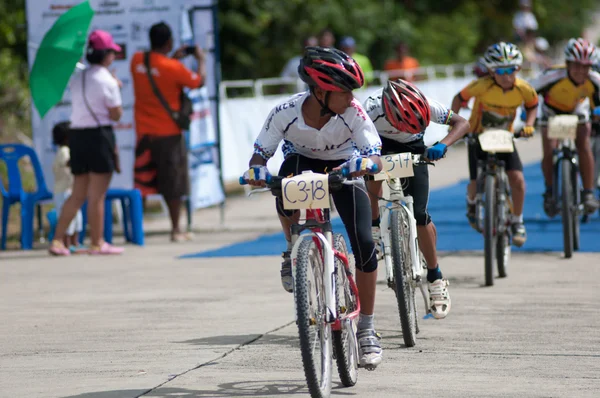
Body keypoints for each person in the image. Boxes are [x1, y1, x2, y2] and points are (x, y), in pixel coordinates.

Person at [242, 47, 384, 369]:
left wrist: (366, 163)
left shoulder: (354, 113)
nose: (350, 97)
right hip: (301, 162)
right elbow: (259, 155)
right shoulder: (285, 111)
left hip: (345, 166)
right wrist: (257, 171)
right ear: (320, 91)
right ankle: (294, 248)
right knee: (282, 183)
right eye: (344, 91)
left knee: (364, 245)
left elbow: (374, 153)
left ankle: (367, 330)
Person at [364, 79, 470, 319]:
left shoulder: (428, 104)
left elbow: (462, 123)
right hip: (378, 147)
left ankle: (435, 276)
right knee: (370, 175)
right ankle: (374, 227)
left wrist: (443, 144)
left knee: (420, 215)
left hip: (413, 149)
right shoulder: (369, 109)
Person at [451, 42, 538, 247]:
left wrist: (529, 125)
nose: (506, 75)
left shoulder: (524, 88)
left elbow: (533, 105)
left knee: (517, 179)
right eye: (500, 71)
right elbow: (458, 98)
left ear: (517, 69)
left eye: (511, 70)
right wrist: (452, 125)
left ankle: (517, 221)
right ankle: (472, 204)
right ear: (491, 71)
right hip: (478, 136)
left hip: (504, 137)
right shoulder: (481, 85)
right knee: (473, 183)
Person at [49, 30, 124, 256]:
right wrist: (116, 86)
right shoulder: (106, 80)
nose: (113, 55)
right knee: (97, 195)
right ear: (106, 55)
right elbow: (116, 115)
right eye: (112, 51)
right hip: (99, 137)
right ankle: (97, 242)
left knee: (78, 193)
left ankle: (57, 240)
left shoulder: (77, 76)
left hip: (77, 137)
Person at [130, 22, 206, 242]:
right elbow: (198, 82)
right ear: (169, 42)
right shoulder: (173, 68)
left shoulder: (137, 61)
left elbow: (156, 69)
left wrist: (172, 57)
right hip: (169, 136)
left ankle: (138, 230)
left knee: (142, 183)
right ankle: (175, 230)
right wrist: (200, 59)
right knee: (174, 185)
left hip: (143, 134)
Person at [530, 38, 600, 215]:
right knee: (549, 149)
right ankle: (550, 191)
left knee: (584, 145)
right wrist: (526, 113)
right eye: (576, 65)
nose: (581, 71)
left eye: (586, 67)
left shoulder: (595, 80)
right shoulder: (552, 76)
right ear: (568, 63)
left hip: (578, 111)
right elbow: (528, 93)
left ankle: (589, 193)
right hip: (552, 112)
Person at [51, 121, 83, 252]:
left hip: (70, 190)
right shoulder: (64, 151)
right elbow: (69, 163)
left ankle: (75, 243)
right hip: (62, 191)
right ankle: (65, 243)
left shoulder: (67, 150)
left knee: (77, 219)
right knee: (67, 219)